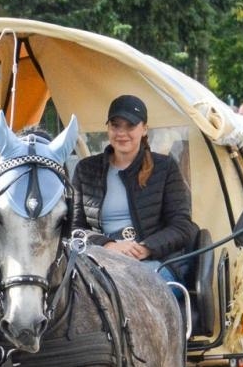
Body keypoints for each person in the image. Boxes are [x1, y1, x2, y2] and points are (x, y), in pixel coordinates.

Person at [71, 94, 199, 280]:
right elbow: (74, 228)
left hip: (156, 261)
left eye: (130, 126)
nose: (121, 133)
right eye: (115, 125)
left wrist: (145, 248)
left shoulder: (165, 167)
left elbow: (182, 226)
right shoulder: (85, 169)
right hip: (99, 260)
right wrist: (108, 245)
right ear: (108, 128)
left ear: (144, 129)